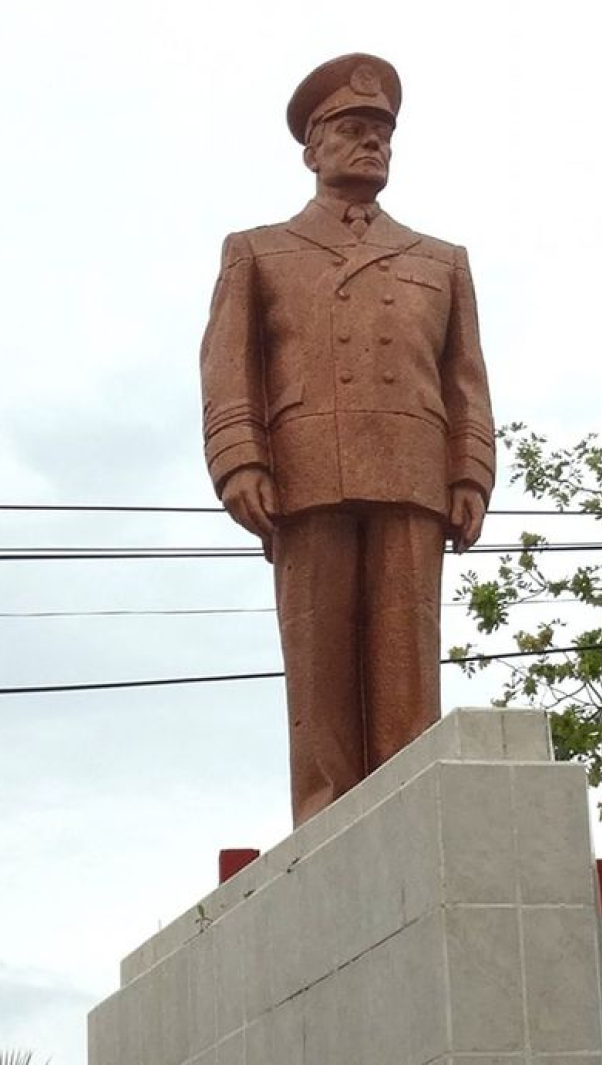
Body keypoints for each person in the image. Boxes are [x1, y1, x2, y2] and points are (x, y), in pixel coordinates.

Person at [200, 52, 495, 827]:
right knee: (319, 659)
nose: (373, 144)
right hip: (305, 469)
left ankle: (407, 807)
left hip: (412, 466)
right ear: (314, 148)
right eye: (355, 129)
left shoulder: (442, 260)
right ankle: (327, 819)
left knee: (407, 657)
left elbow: (465, 377)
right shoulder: (258, 250)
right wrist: (239, 459)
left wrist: (470, 474)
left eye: (384, 133)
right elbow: (228, 366)